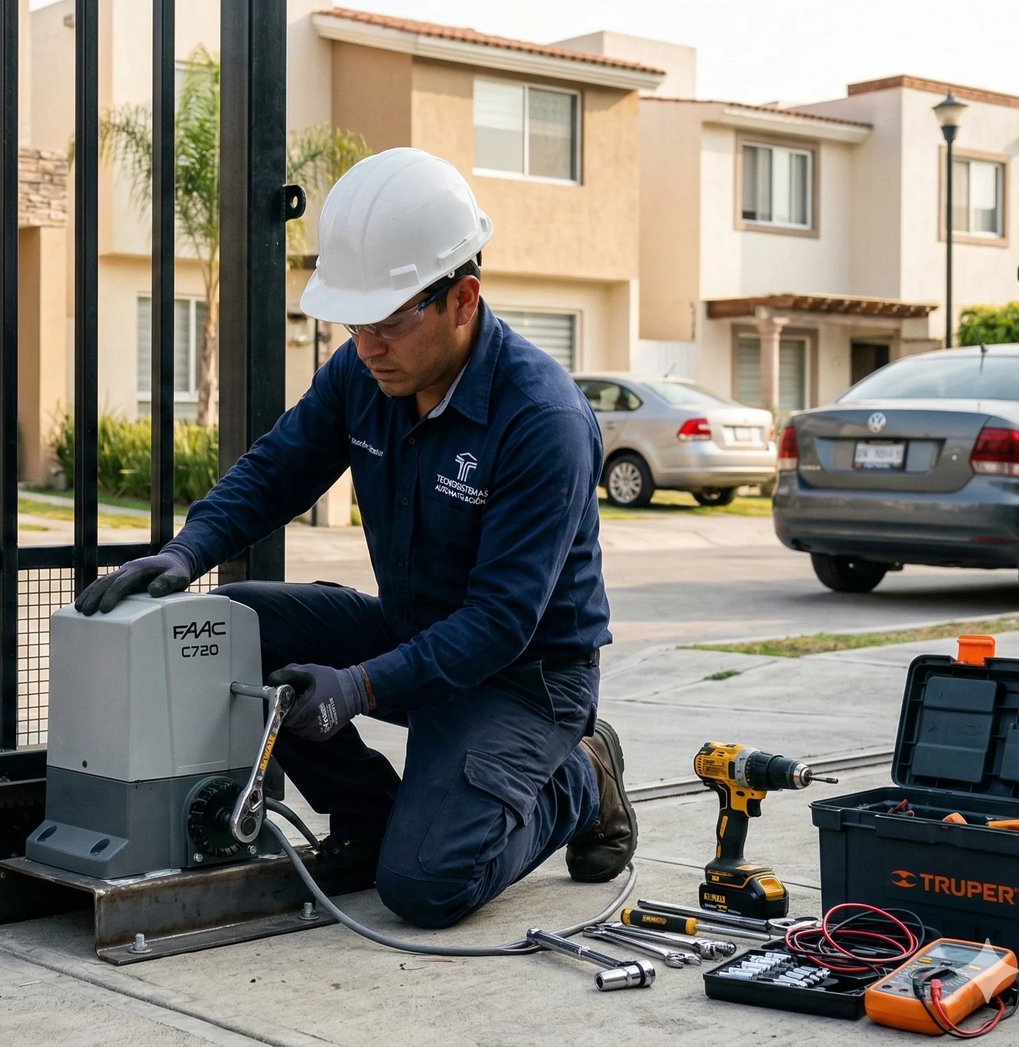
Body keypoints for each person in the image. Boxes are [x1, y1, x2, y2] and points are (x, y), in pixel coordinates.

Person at [73, 147, 632, 928]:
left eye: (391, 322)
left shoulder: (542, 419)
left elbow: (501, 620)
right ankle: (368, 816)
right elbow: (277, 469)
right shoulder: (364, 376)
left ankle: (581, 775)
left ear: (463, 298)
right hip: (413, 633)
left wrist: (360, 687)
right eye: (355, 323)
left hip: (524, 680)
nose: (368, 346)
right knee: (238, 626)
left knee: (427, 886)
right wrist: (185, 550)